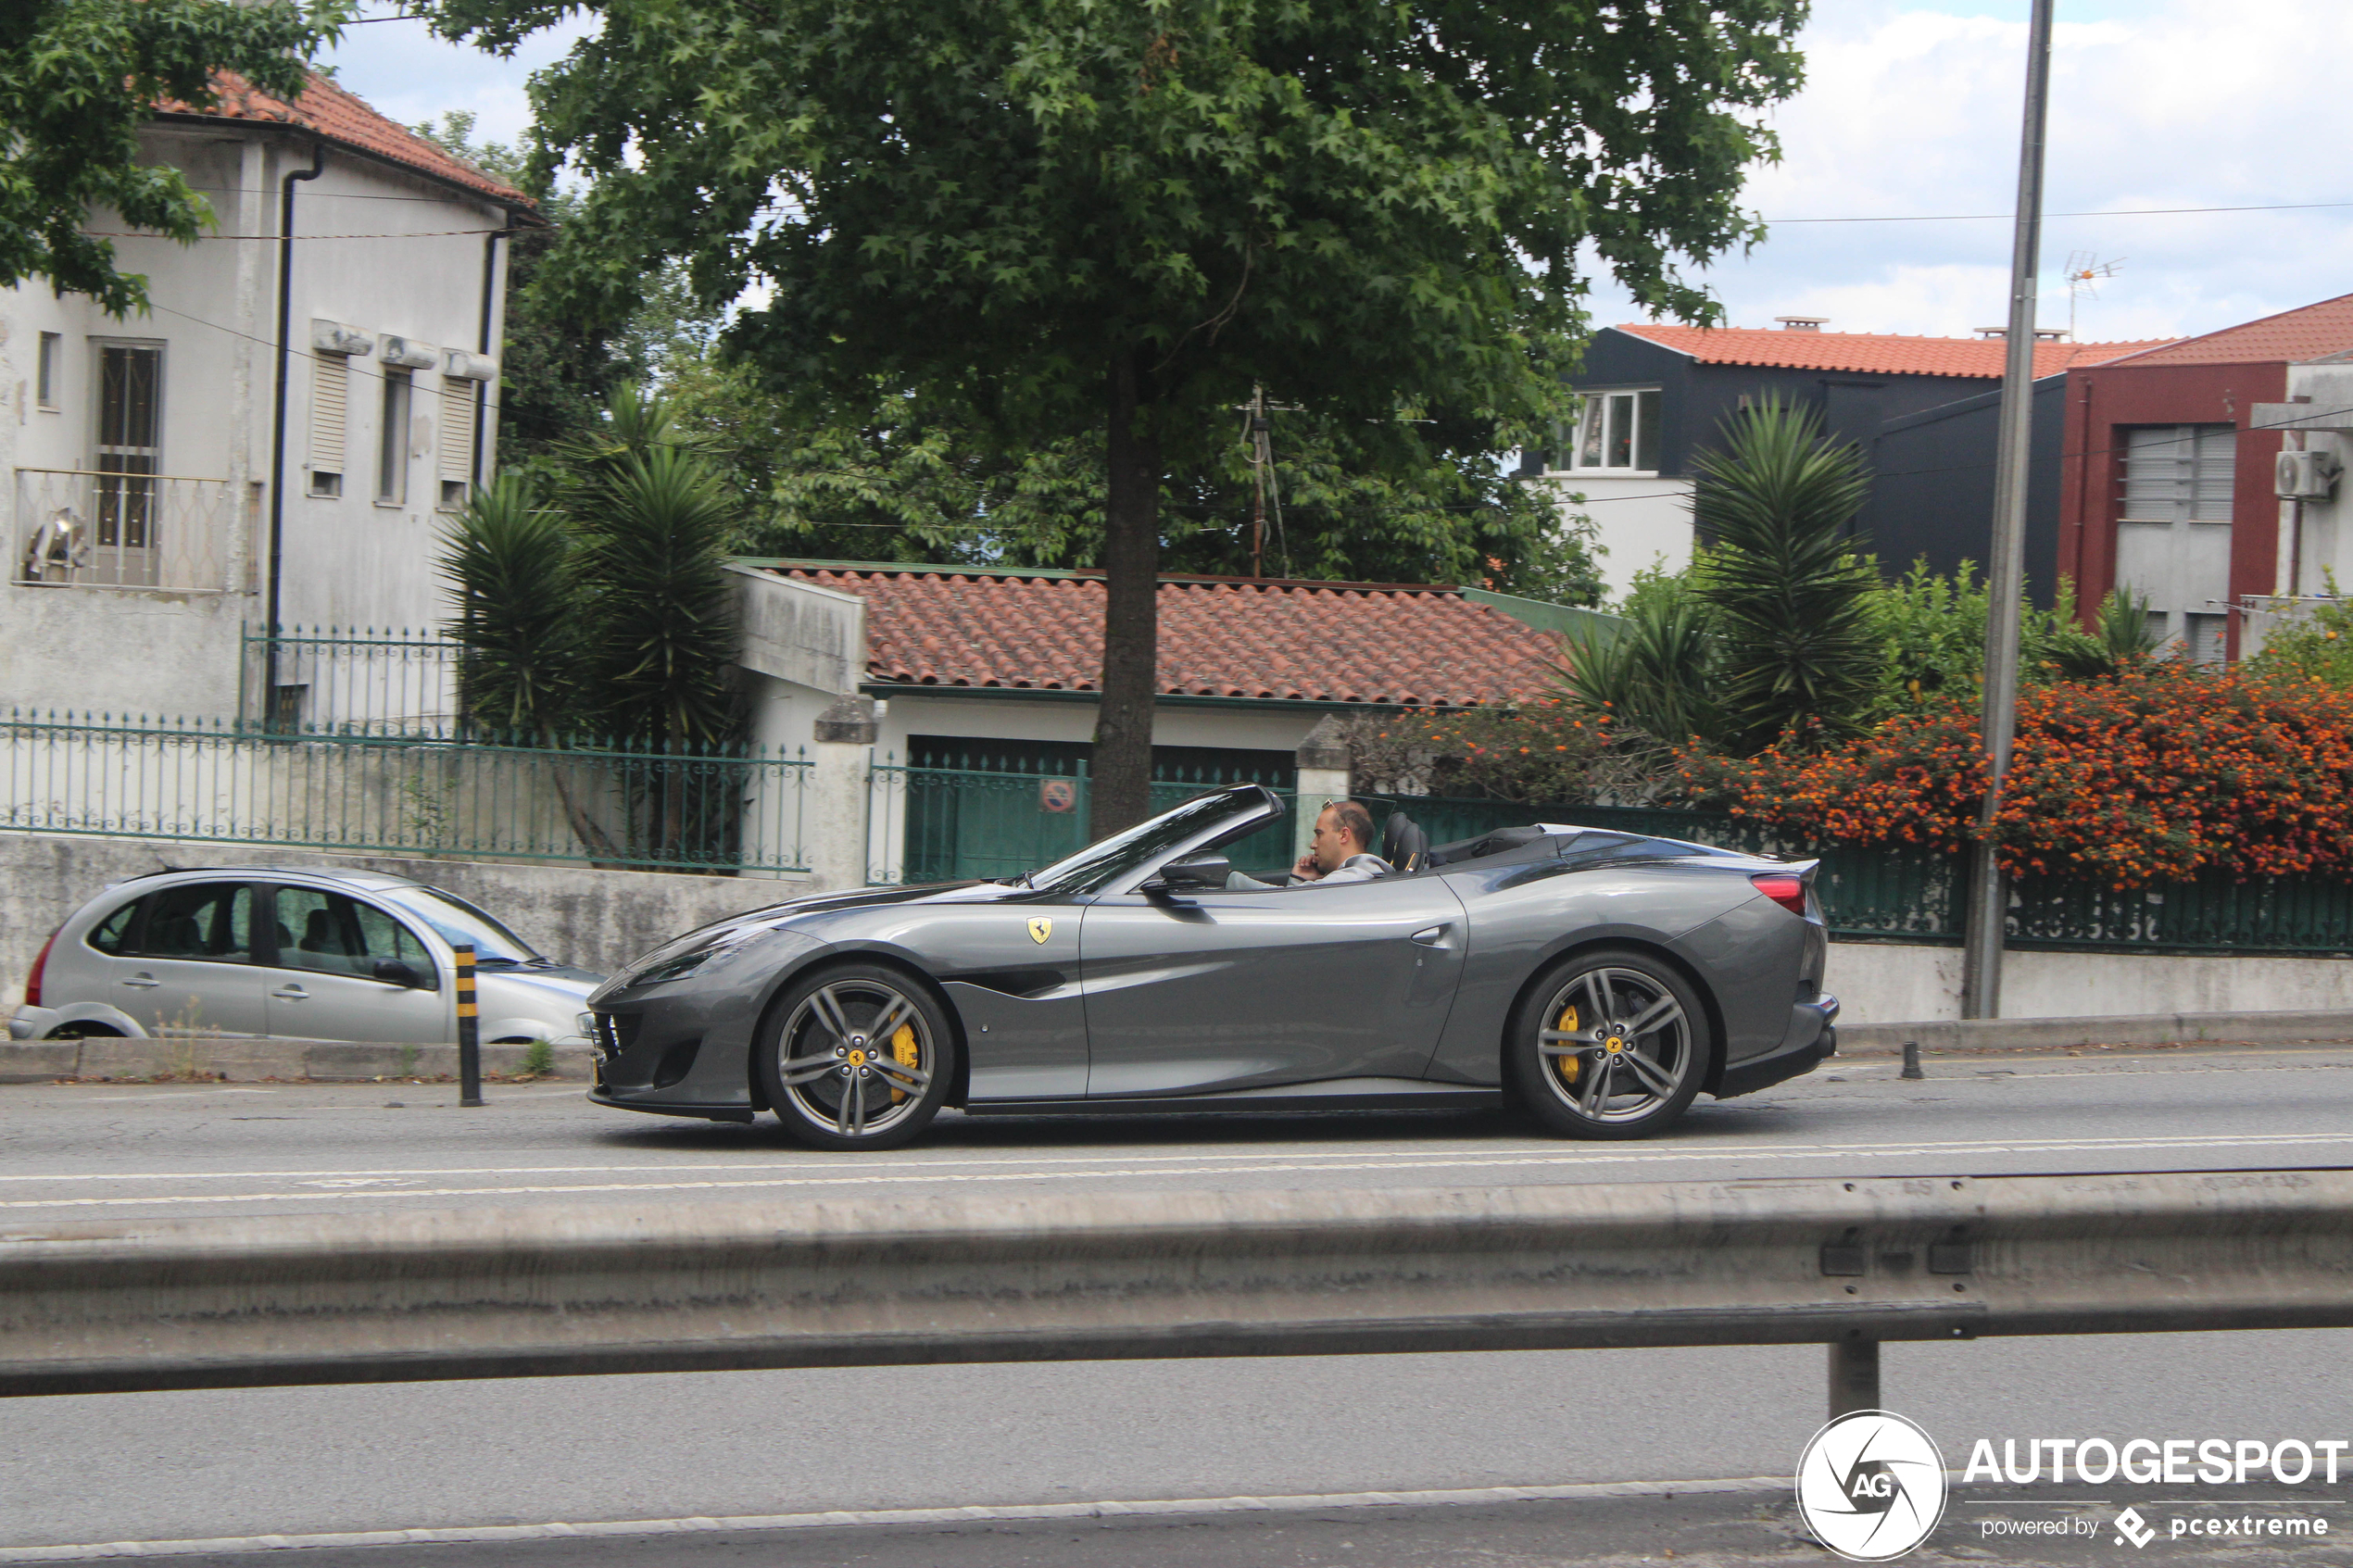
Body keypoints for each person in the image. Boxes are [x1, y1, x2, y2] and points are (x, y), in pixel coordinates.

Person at [1227, 799, 1392, 889]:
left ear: (1343, 835)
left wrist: (1227, 880)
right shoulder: (1358, 875)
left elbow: (1284, 901)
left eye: (1319, 835)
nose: (1313, 845)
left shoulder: (1351, 880)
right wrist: (1300, 882)